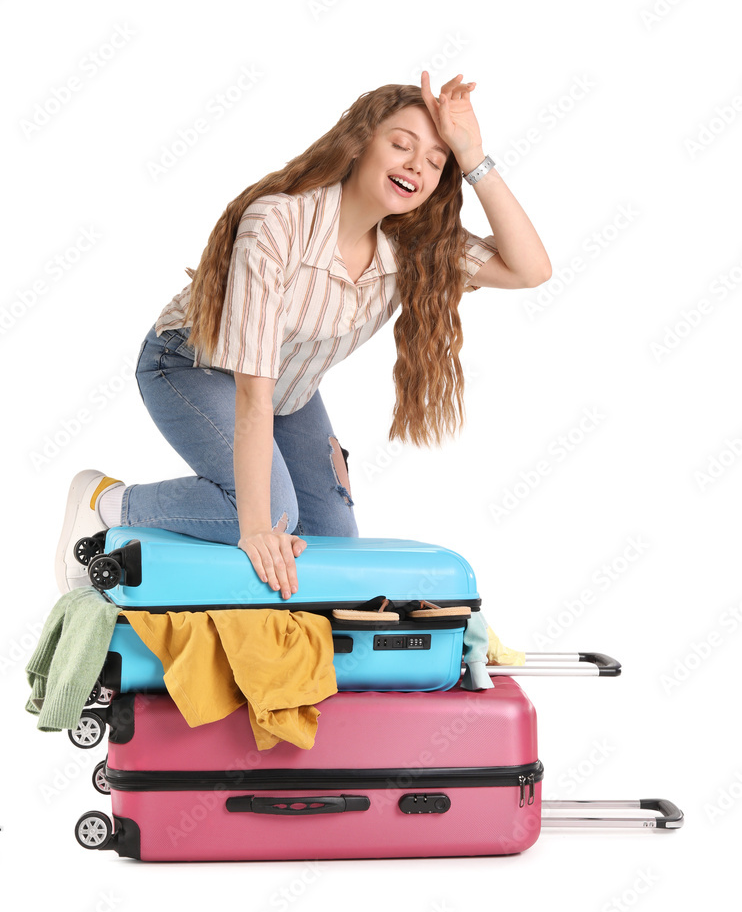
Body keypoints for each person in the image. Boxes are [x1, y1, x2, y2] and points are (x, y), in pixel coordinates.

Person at [54, 72, 551, 601]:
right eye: (402, 145)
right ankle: (106, 504)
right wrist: (255, 529)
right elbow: (252, 392)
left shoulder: (414, 244)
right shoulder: (279, 222)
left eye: (435, 161)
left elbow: (530, 269)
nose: (416, 165)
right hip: (191, 365)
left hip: (290, 393)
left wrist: (473, 156)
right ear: (360, 144)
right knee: (271, 515)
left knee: (331, 543)